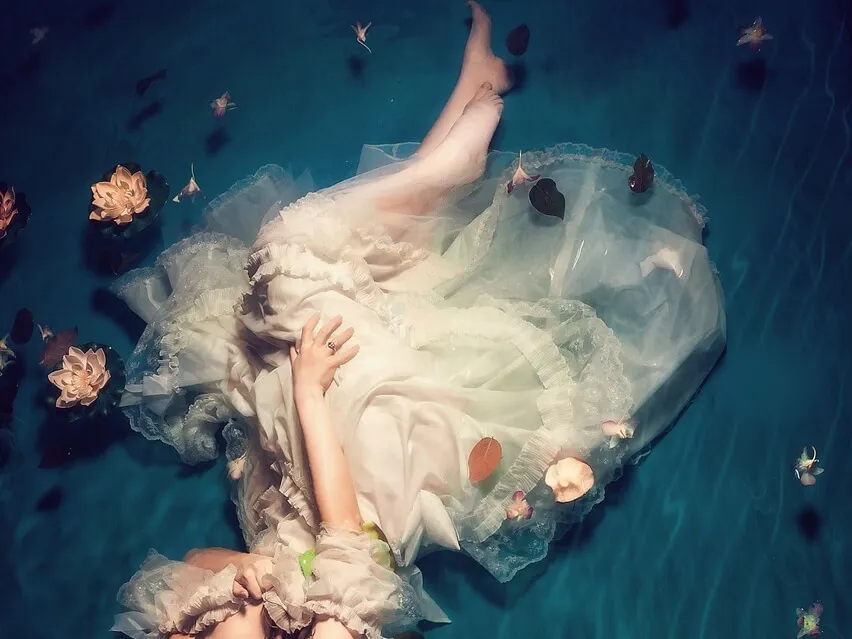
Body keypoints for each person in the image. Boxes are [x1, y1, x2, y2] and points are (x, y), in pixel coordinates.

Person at [111, 2, 726, 638]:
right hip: (360, 476)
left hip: (289, 490)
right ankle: (455, 155)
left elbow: (193, 564)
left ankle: (460, 123)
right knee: (286, 256)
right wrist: (309, 392)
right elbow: (347, 541)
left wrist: (245, 572)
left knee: (313, 278)